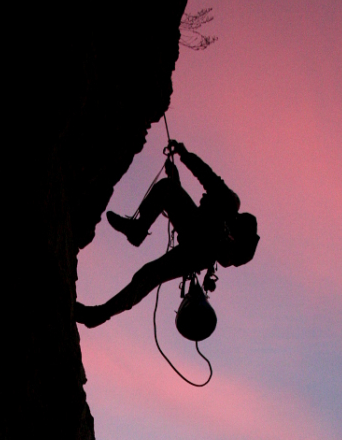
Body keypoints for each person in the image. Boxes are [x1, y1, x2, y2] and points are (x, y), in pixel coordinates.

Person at [75, 140, 259, 328]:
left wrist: (183, 153)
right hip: (197, 252)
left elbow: (205, 175)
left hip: (198, 245)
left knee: (167, 188)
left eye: (207, 197)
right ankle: (99, 314)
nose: (203, 197)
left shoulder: (223, 202)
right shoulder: (211, 220)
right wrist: (176, 176)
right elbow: (186, 214)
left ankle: (138, 230)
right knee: (148, 275)